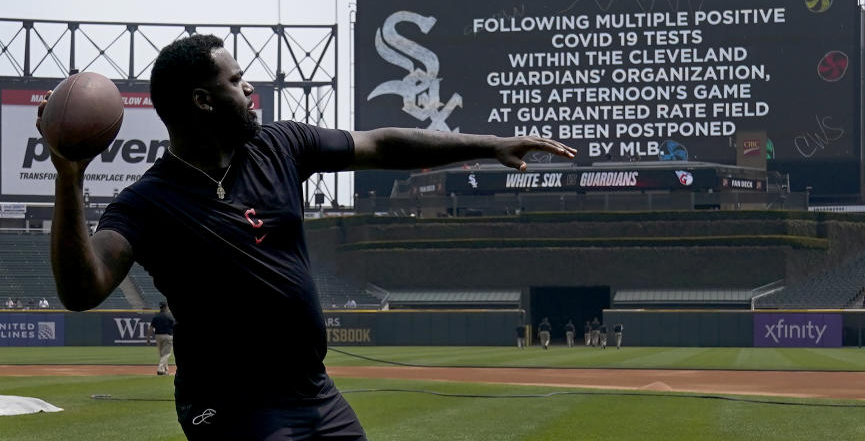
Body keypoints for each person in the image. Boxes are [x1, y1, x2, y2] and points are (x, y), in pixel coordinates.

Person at [39, 34, 576, 441]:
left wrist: (488, 145)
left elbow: (383, 144)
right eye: (236, 80)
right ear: (203, 101)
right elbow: (82, 290)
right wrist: (69, 175)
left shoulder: (281, 145)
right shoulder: (147, 203)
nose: (251, 87)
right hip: (230, 404)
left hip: (313, 391)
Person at [148, 301, 175, 376]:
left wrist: (148, 338)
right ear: (165, 307)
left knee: (162, 354)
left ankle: (165, 370)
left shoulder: (156, 316)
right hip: (168, 336)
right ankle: (160, 369)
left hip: (158, 336)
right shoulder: (169, 316)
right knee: (166, 354)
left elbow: (150, 328)